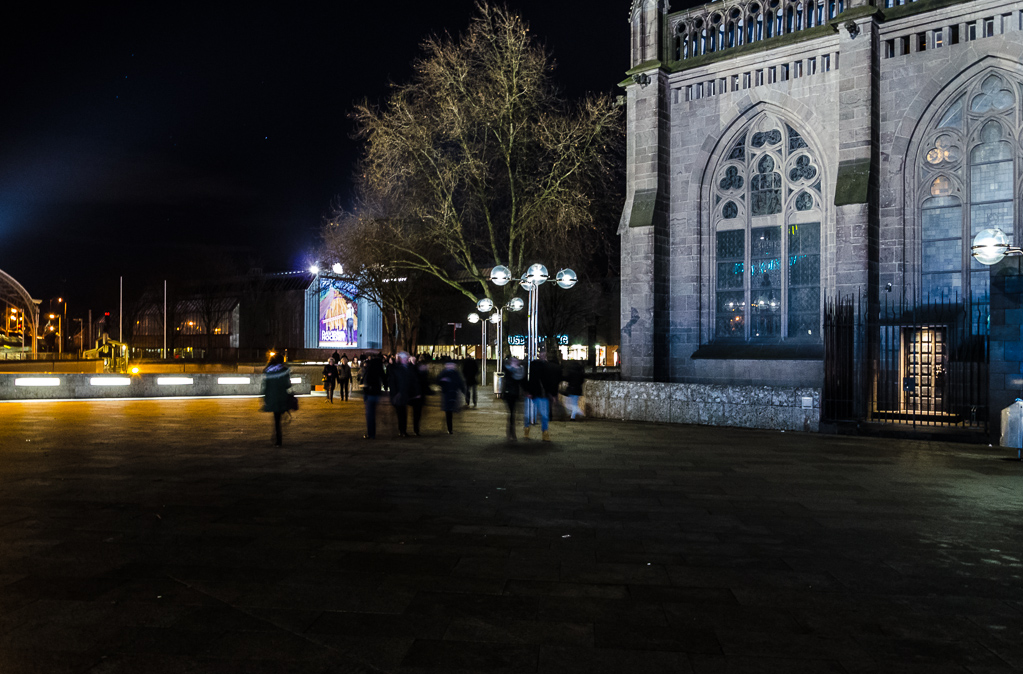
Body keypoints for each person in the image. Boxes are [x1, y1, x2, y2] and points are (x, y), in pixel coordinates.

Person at [262, 352, 292, 447]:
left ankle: (277, 439)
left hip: (272, 398)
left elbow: (265, 386)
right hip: (282, 397)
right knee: (279, 417)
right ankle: (278, 438)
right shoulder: (284, 370)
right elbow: (288, 385)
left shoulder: (268, 370)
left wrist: (266, 398)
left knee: (276, 419)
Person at [523, 351, 552, 441]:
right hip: (536, 393)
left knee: (542, 414)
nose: (543, 356)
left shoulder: (545, 366)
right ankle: (529, 429)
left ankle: (543, 431)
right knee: (531, 414)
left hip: (540, 393)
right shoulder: (534, 365)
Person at [388, 352, 416, 437]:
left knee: (402, 413)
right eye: (406, 358)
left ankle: (403, 430)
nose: (407, 360)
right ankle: (402, 430)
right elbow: (393, 382)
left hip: (402, 394)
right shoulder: (399, 369)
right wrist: (396, 393)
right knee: (401, 414)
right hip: (399, 394)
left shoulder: (402, 368)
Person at [437, 361, 466, 434]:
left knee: (451, 411)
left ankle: (450, 428)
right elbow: (438, 380)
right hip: (448, 394)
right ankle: (449, 428)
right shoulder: (446, 373)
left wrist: (464, 391)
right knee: (449, 411)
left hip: (452, 393)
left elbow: (460, 383)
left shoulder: (453, 373)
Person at [360, 353, 385, 439]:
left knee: (370, 415)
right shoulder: (378, 368)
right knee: (372, 414)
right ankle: (372, 433)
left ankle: (371, 434)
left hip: (369, 393)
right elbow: (383, 378)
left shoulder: (370, 368)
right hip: (375, 393)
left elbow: (366, 380)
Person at [501, 356, 525, 441]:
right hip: (508, 394)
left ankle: (511, 431)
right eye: (513, 361)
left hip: (515, 394)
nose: (515, 362)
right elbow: (504, 368)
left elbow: (522, 382)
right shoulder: (508, 370)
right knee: (512, 413)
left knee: (513, 413)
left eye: (516, 361)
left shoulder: (520, 371)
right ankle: (511, 432)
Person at [411, 358, 431, 436]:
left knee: (417, 413)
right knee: (417, 413)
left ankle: (416, 429)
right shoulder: (417, 372)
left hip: (418, 395)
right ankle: (416, 429)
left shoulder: (419, 372)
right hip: (417, 395)